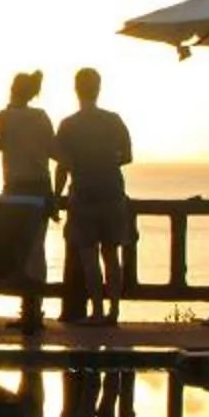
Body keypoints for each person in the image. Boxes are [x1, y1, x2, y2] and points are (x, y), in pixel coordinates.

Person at [53, 68, 132, 325]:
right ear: (99, 89)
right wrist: (106, 162)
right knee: (111, 255)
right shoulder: (114, 120)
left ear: (76, 89)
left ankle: (97, 311)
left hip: (84, 194)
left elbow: (62, 165)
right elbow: (128, 156)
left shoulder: (69, 125)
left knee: (89, 257)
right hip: (112, 191)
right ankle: (114, 311)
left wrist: (56, 196)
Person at [0, 71, 56, 333]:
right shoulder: (42, 117)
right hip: (41, 187)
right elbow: (53, 150)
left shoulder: (5, 116)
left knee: (20, 250)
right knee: (37, 250)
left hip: (16, 188)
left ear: (13, 89)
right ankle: (34, 309)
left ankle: (26, 309)